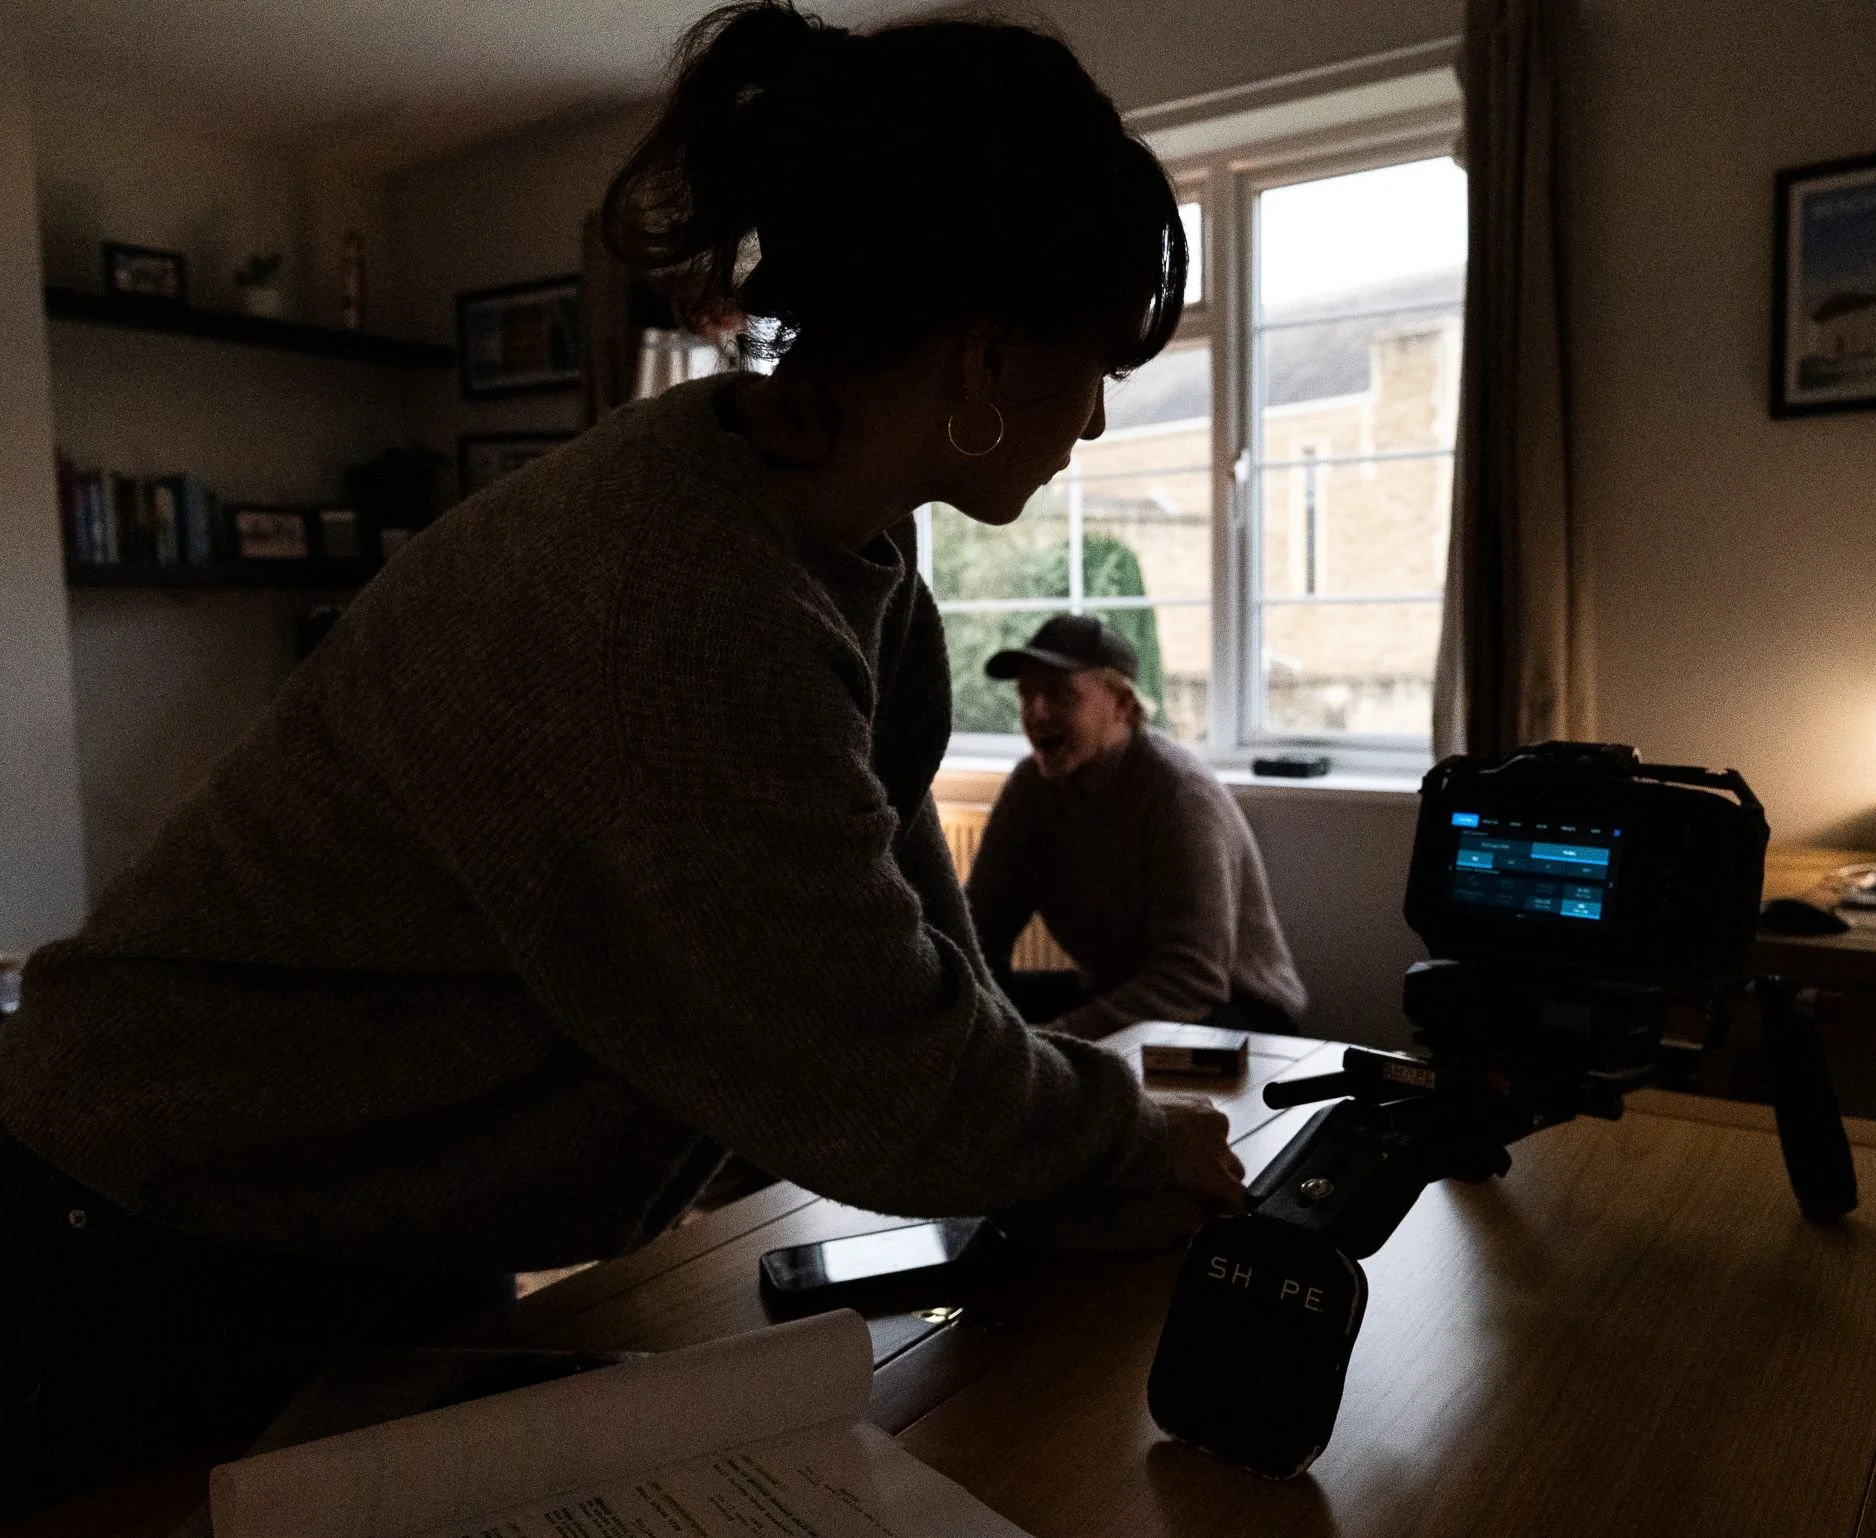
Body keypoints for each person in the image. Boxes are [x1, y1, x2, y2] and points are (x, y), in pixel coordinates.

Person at [0, 2, 1245, 1513]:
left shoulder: (850, 551)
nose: (1096, 420)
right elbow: (873, 1070)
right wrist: (1121, 1134)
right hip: (155, 1219)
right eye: (1094, 365)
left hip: (388, 1204)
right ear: (986, 352)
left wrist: (1070, 1146)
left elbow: (916, 971)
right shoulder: (685, 593)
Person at [966, 614, 1309, 1041]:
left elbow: (1192, 978)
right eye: (1026, 694)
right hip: (1121, 992)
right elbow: (978, 929)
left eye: (1059, 694)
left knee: (1045, 1044)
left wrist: (1054, 1043)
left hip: (1235, 1012)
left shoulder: (1179, 794)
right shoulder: (1030, 789)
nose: (1036, 712)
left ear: (1123, 706)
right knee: (969, 1006)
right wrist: (973, 1018)